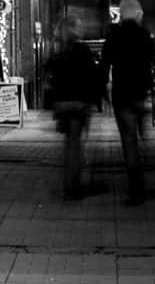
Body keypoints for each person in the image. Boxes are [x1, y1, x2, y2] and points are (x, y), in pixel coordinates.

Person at [99, 0, 155, 205]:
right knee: (143, 137)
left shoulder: (114, 37)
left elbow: (104, 66)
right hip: (141, 93)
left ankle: (136, 188)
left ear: (121, 15)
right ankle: (144, 173)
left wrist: (102, 93)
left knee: (129, 142)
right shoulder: (145, 36)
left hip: (122, 95)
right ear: (138, 15)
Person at [43, 14, 100, 199]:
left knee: (68, 144)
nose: (82, 29)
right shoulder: (83, 50)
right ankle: (73, 187)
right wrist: (95, 99)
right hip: (78, 102)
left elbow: (48, 70)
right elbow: (92, 75)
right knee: (75, 144)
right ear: (74, 29)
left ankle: (68, 184)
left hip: (62, 103)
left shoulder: (59, 50)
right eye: (79, 26)